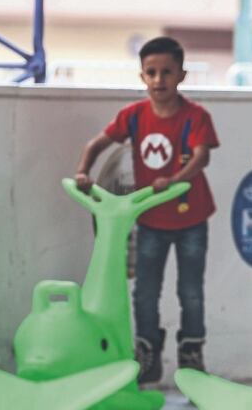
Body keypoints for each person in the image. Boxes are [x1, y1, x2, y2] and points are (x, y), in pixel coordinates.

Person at [74, 36, 220, 384]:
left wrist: (174, 180)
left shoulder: (195, 117)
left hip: (190, 219)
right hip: (151, 220)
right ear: (142, 77)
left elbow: (201, 157)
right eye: (151, 72)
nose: (159, 80)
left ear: (181, 75)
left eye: (167, 72)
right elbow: (96, 144)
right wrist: (83, 172)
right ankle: (147, 351)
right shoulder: (134, 117)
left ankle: (191, 354)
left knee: (190, 291)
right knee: (145, 291)